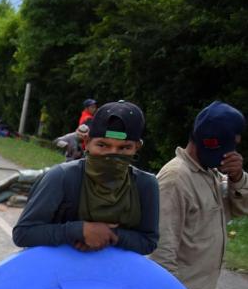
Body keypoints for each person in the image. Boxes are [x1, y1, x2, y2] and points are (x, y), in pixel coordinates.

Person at [13, 101, 159, 255]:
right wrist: (77, 231)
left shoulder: (145, 184)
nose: (112, 154)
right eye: (103, 145)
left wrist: (107, 236)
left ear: (137, 147)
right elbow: (23, 233)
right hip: (56, 272)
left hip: (112, 274)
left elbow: (149, 242)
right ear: (87, 142)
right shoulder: (62, 177)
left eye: (124, 148)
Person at [151, 101, 248, 289]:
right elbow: (161, 251)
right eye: (228, 147)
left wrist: (237, 177)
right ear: (210, 143)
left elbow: (241, 209)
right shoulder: (176, 178)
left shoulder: (210, 173)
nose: (232, 154)